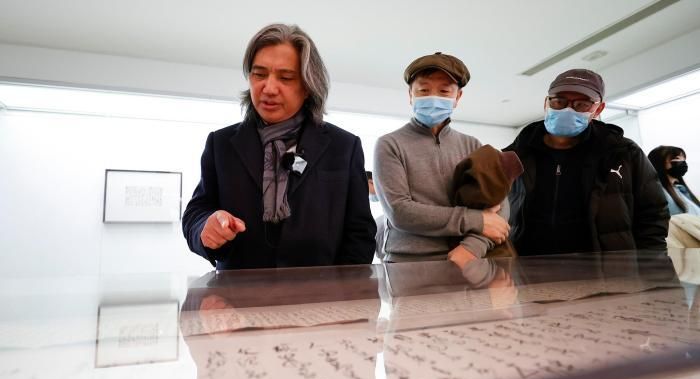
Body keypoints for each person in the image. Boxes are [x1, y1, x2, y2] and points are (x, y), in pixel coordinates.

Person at [182, 24, 376, 269]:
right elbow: (196, 212)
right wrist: (205, 226)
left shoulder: (344, 147)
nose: (269, 88)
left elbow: (360, 233)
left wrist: (341, 288)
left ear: (308, 86)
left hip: (320, 289)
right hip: (238, 289)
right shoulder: (221, 144)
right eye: (259, 74)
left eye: (285, 78)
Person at [506, 68, 669, 256]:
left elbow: (653, 215)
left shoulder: (623, 153)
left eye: (582, 104)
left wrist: (652, 266)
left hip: (605, 268)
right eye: (559, 101)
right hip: (527, 266)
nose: (568, 109)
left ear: (598, 109)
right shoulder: (515, 154)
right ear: (546, 103)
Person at [373, 52, 510, 266]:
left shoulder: (473, 145)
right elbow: (399, 211)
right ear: (410, 95)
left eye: (444, 91)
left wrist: (472, 247)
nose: (433, 98)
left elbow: (499, 204)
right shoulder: (390, 144)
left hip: (467, 261)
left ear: (458, 97)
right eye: (424, 90)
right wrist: (476, 219)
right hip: (408, 265)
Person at [648, 145, 700, 216]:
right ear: (660, 162)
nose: (682, 162)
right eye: (677, 158)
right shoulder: (658, 194)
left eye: (683, 159)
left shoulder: (680, 189)